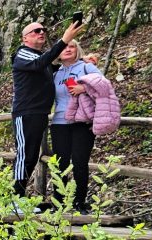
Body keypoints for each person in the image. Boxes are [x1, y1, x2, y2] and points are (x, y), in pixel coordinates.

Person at [11, 20, 83, 197]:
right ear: (25, 38)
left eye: (43, 30)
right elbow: (40, 63)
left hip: (40, 113)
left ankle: (20, 198)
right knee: (25, 155)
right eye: (36, 31)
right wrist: (64, 40)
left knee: (33, 156)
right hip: (25, 113)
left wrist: (81, 61)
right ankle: (15, 198)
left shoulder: (40, 58)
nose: (41, 32)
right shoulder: (23, 54)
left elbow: (57, 67)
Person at [51, 40, 102, 212]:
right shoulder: (55, 74)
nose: (67, 50)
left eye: (71, 47)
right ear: (57, 53)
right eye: (64, 47)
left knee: (80, 163)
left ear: (77, 50)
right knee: (60, 164)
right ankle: (59, 204)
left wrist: (84, 88)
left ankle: (80, 203)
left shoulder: (86, 67)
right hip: (59, 122)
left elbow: (104, 86)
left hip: (82, 122)